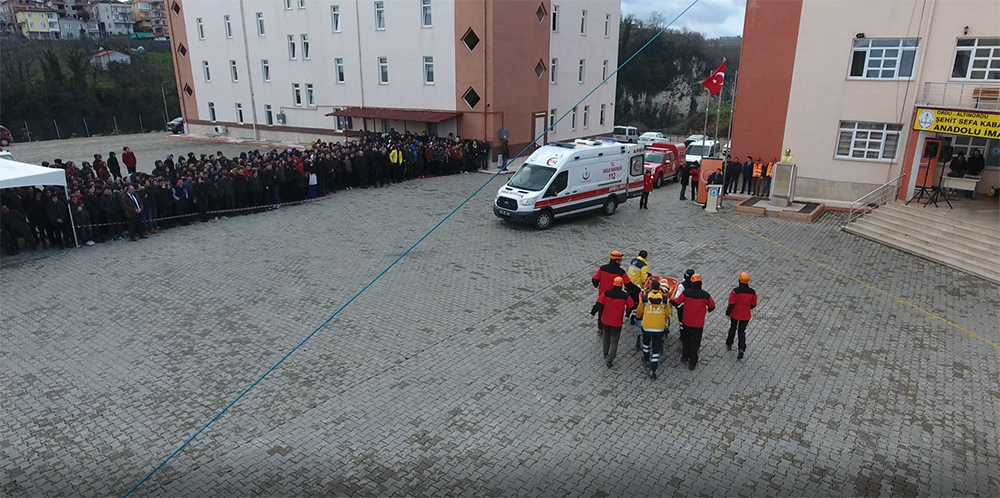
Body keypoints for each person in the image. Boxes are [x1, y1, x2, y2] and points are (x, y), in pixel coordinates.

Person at [671, 273, 715, 370]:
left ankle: (685, 356)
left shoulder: (686, 293)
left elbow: (676, 302)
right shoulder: (706, 295)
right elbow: (712, 306)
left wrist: (669, 300)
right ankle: (692, 363)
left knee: (686, 340)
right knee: (695, 343)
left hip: (687, 321)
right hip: (698, 324)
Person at [590, 276, 634, 368]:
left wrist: (593, 313)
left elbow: (598, 303)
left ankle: (605, 354)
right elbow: (631, 305)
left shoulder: (606, 293)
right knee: (614, 341)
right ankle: (610, 359)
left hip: (605, 321)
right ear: (621, 285)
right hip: (616, 322)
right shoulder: (624, 296)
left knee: (606, 337)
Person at [636, 279, 673, 379]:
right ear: (659, 288)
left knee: (646, 343)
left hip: (647, 326)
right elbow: (667, 313)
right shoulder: (665, 300)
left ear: (651, 288)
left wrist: (639, 317)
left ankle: (646, 359)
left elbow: (639, 311)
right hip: (659, 328)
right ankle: (653, 368)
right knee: (656, 348)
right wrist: (662, 321)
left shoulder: (644, 298)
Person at [591, 251, 630, 335]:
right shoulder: (621, 272)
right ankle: (612, 329)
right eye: (620, 260)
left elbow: (594, 279)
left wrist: (597, 286)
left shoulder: (602, 268)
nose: (621, 262)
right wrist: (637, 290)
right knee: (613, 312)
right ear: (617, 261)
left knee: (601, 311)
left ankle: (601, 328)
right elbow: (628, 284)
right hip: (615, 297)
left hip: (603, 295)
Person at [726, 272, 758, 360]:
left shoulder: (735, 291)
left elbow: (731, 303)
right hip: (745, 315)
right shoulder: (752, 292)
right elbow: (753, 304)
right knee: (741, 331)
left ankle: (729, 343)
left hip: (735, 314)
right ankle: (741, 348)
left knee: (733, 328)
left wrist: (728, 312)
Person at [625, 250, 649, 324]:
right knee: (637, 302)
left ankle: (627, 313)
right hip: (636, 286)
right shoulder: (644, 266)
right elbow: (643, 279)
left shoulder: (633, 261)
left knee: (629, 299)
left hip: (628, 283)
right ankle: (634, 318)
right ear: (645, 257)